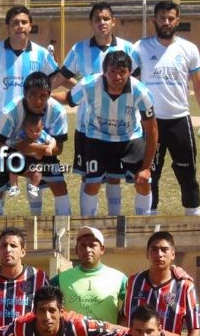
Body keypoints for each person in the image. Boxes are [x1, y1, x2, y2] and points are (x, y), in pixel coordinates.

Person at [54, 2, 139, 216]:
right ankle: (87, 220)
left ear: (113, 21)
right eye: (97, 19)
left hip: (120, 127)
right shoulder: (79, 49)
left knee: (114, 177)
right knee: (88, 177)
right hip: (87, 126)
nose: (102, 22)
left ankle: (113, 219)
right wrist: (43, 91)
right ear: (91, 23)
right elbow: (62, 77)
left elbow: (137, 82)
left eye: (106, 18)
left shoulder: (128, 49)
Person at [54, 50, 157, 215]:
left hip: (130, 138)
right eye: (112, 72)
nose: (117, 77)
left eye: (122, 72)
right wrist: (46, 95)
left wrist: (146, 167)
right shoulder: (89, 84)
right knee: (92, 184)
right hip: (97, 138)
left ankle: (144, 224)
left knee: (143, 181)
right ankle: (88, 225)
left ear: (130, 72)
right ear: (104, 72)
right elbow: (68, 98)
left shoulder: (141, 92)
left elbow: (152, 130)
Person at [135, 1, 200, 215]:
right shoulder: (140, 47)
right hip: (151, 122)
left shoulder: (189, 49)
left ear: (177, 21)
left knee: (187, 174)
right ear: (154, 20)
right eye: (162, 18)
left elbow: (199, 86)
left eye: (171, 18)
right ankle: (150, 219)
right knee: (149, 175)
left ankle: (194, 215)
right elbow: (128, 80)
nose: (166, 22)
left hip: (180, 120)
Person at [0, 71, 71, 216]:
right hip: (10, 152)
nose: (38, 101)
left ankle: (59, 222)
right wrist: (19, 158)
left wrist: (31, 148)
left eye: (43, 96)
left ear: (49, 94)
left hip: (43, 152)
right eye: (33, 95)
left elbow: (58, 148)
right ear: (25, 93)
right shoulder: (9, 111)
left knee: (60, 187)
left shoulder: (58, 112)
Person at [123, 231, 200, 336]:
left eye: (164, 250)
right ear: (147, 254)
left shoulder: (185, 287)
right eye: (154, 250)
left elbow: (194, 328)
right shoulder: (133, 281)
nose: (159, 254)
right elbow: (124, 316)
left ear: (173, 254)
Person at [6, 112, 57, 200]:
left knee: (38, 172)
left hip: (36, 160)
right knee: (13, 168)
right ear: (25, 128)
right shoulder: (22, 134)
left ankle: (34, 187)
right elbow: (12, 142)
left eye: (38, 130)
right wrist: (16, 143)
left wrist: (50, 147)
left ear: (42, 127)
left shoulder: (44, 135)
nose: (35, 133)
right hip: (23, 159)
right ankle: (14, 186)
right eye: (31, 131)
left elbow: (53, 141)